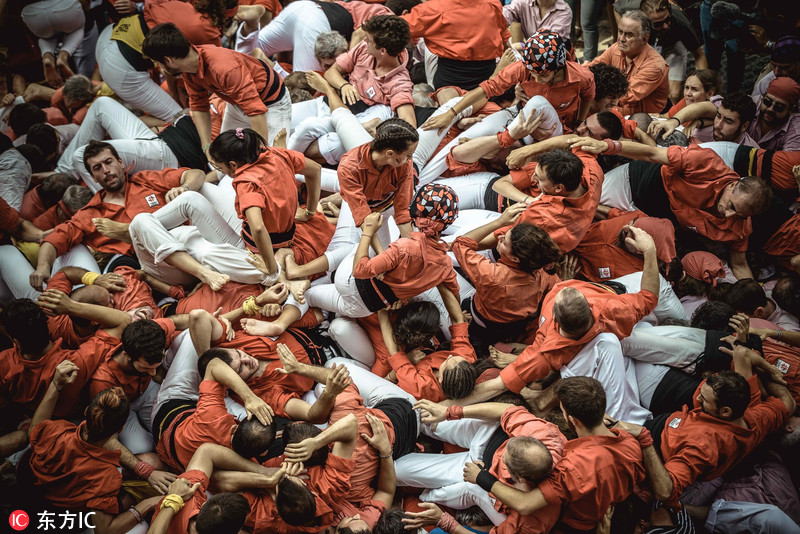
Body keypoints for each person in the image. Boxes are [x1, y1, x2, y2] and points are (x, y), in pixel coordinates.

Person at [437, 226, 661, 425]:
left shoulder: (545, 350)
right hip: (615, 304)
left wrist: (443, 408)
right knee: (612, 340)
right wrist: (650, 251)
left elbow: (496, 385)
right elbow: (649, 297)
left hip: (489, 324)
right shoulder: (610, 309)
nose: (566, 288)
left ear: (553, 316)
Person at [616, 342, 795, 507]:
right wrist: (770, 370)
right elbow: (789, 402)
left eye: (705, 399)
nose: (699, 398)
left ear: (725, 412)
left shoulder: (704, 445)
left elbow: (665, 491)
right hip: (654, 424)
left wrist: (643, 438)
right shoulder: (757, 417)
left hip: (647, 450)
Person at [460, 377, 646, 532]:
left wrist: (482, 478)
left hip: (567, 526)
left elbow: (526, 504)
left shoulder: (573, 467)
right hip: (605, 516)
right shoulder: (630, 443)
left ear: (571, 420)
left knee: (472, 490)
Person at [580, 139, 772, 280]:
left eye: (739, 215)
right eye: (732, 206)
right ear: (732, 185)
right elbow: (652, 153)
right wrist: (608, 146)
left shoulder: (739, 226)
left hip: (652, 221)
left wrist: (754, 300)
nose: (729, 215)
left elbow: (739, 264)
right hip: (633, 184)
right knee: (581, 205)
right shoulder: (705, 163)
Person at [30, 141, 207, 291]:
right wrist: (43, 268)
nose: (106, 170)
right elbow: (56, 237)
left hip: (192, 241)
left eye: (108, 162)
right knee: (142, 225)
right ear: (93, 177)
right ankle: (136, 231)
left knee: (204, 190)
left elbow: (195, 174)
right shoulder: (92, 213)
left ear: (121, 163)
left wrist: (183, 188)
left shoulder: (145, 180)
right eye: (98, 168)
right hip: (160, 267)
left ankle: (132, 230)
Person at [397, 400, 567, 531]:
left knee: (399, 471)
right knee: (419, 413)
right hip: (487, 435)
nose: (500, 455)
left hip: (477, 478)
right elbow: (506, 409)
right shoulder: (546, 437)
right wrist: (450, 411)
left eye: (504, 460)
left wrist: (445, 521)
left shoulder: (533, 522)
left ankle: (425, 496)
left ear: (519, 478)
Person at [27, 379, 163, 533]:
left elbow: (34, 428)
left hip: (35, 494)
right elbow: (104, 530)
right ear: (121, 429)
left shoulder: (56, 431)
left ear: (86, 412)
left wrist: (56, 384)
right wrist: (148, 503)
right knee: (142, 527)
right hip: (69, 521)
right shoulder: (105, 476)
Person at [142, 22, 291, 148]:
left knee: (270, 158)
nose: (160, 69)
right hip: (237, 104)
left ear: (168, 60)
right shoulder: (188, 69)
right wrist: (206, 146)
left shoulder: (224, 67)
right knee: (222, 156)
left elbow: (256, 111)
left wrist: (259, 152)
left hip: (272, 103)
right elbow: (199, 107)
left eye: (159, 63)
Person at [207, 127, 322, 284]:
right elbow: (315, 169)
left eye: (220, 168)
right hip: (286, 232)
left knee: (195, 201)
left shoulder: (246, 184)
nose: (222, 171)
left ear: (233, 165)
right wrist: (310, 210)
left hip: (259, 248)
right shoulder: (276, 153)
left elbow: (258, 228)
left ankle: (279, 275)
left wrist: (271, 266)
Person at [425, 30, 594, 134]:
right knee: (471, 138)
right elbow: (486, 89)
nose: (536, 79)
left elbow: (587, 97)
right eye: (532, 74)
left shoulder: (582, 77)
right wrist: (450, 114)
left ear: (558, 68)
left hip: (559, 127)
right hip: (522, 116)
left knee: (537, 103)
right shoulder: (521, 68)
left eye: (542, 76)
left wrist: (579, 122)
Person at [451, 208, 561, 353]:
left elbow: (459, 244)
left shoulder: (492, 275)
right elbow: (557, 288)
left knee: (440, 265)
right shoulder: (543, 271)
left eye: (504, 241)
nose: (500, 237)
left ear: (515, 258)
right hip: (511, 329)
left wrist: (499, 222)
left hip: (475, 323)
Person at [402, 0, 510, 90]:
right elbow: (506, 44)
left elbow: (394, 29)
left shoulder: (432, 10)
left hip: (464, 82)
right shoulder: (492, 4)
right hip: (463, 81)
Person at [589, 10, 669, 115]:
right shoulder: (616, 48)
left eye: (629, 35)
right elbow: (591, 70)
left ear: (644, 39)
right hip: (616, 107)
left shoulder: (655, 66)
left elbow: (623, 95)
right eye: (620, 32)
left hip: (646, 119)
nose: (621, 39)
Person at [640, 0, 708, 104]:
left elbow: (699, 55)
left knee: (674, 95)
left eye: (667, 20)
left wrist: (701, 85)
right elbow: (615, 8)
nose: (666, 26)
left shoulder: (680, 23)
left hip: (674, 43)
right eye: (658, 24)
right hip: (647, 45)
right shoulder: (635, 21)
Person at [649, 92, 759, 147]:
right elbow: (700, 108)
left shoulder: (751, 153)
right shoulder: (699, 132)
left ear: (744, 126)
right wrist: (673, 122)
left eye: (728, 121)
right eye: (718, 116)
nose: (718, 125)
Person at [747, 76, 800, 151]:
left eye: (779, 107)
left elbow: (787, 160)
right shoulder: (749, 105)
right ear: (763, 97)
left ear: (791, 109)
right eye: (767, 102)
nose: (770, 109)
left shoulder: (796, 129)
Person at [503, 0, 572, 44]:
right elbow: (504, 15)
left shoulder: (563, 10)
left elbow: (549, 43)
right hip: (531, 57)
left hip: (555, 61)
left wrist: (521, 46)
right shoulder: (523, 2)